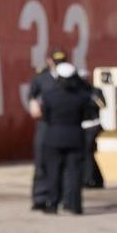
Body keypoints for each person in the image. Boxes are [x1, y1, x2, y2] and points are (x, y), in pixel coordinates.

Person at [28, 58, 100, 214]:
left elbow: (44, 116)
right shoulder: (81, 97)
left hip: (53, 137)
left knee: (53, 171)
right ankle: (74, 205)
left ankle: (52, 204)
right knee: (74, 173)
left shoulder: (49, 96)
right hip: (75, 136)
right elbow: (87, 114)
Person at [25, 50, 68, 210]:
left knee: (63, 163)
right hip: (45, 123)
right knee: (41, 160)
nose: (59, 65)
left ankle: (60, 196)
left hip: (63, 123)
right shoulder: (41, 78)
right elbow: (32, 95)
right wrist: (33, 104)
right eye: (56, 62)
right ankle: (40, 197)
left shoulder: (70, 76)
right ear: (49, 60)